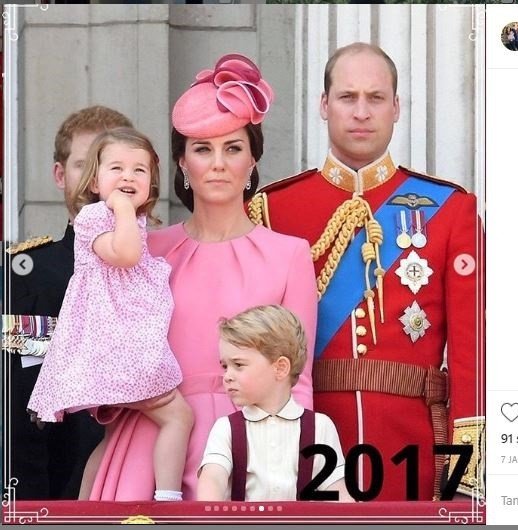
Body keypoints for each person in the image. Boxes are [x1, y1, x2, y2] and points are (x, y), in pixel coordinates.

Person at [247, 43, 484, 501]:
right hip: (305, 441)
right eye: (347, 97)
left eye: (375, 98)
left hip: (413, 442)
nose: (361, 112)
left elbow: (472, 354)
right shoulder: (272, 210)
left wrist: (465, 478)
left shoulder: (451, 210)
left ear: (396, 108)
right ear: (323, 105)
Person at [87, 53, 317, 501]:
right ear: (181, 164)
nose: (217, 163)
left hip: (252, 446)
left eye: (233, 148)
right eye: (202, 149)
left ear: (253, 161)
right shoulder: (145, 250)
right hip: (152, 446)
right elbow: (101, 342)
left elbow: (299, 381)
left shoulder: (290, 255)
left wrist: (295, 464)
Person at [27, 128, 194, 502]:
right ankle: (168, 497)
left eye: (140, 170)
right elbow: (126, 255)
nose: (128, 177)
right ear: (95, 180)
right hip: (116, 350)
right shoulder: (93, 217)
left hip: (120, 347)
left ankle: (87, 504)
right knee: (178, 417)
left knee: (113, 436)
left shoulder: (127, 221)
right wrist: (121, 208)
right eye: (116, 168)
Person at [6, 105, 132, 500]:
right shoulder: (23, 276)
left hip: (143, 487)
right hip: (53, 495)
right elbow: (17, 410)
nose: (98, 183)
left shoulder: (165, 269)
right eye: (84, 165)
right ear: (60, 175)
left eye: (110, 166)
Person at [197, 305, 351, 502]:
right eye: (225, 366)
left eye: (238, 365)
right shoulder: (226, 428)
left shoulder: (320, 427)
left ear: (280, 368)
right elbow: (213, 479)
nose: (227, 376)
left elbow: (336, 490)